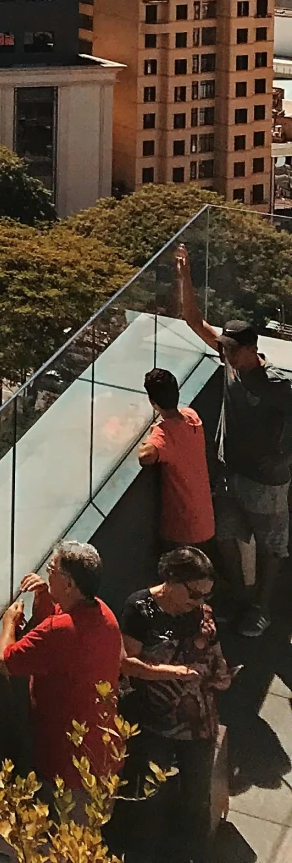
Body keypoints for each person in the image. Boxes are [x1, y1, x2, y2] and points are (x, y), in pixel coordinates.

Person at [175, 243, 292, 636]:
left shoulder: (279, 383)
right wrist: (185, 277)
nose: (228, 357)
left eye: (234, 352)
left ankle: (262, 608)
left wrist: (281, 457)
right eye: (225, 350)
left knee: (272, 544)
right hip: (229, 473)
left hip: (266, 483)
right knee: (225, 535)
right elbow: (194, 320)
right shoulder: (228, 360)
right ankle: (242, 601)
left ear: (251, 350)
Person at [119, 545, 232, 863]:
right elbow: (128, 664)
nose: (200, 603)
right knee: (150, 798)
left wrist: (221, 674)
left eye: (206, 596)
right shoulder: (139, 609)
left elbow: (214, 653)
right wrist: (177, 672)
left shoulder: (201, 612)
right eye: (195, 594)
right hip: (154, 719)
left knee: (196, 801)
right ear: (171, 578)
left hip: (199, 721)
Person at [0, 539, 123, 791]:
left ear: (69, 584)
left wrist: (9, 622)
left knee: (67, 824)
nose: (47, 574)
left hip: (66, 762)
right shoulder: (104, 613)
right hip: (102, 751)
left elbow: (4, 662)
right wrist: (44, 594)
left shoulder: (59, 630)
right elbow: (57, 630)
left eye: (51, 570)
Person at [138, 366, 216, 552]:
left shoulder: (164, 435)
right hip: (205, 519)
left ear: (152, 402)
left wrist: (151, 436)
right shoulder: (192, 417)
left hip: (182, 528)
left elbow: (145, 457)